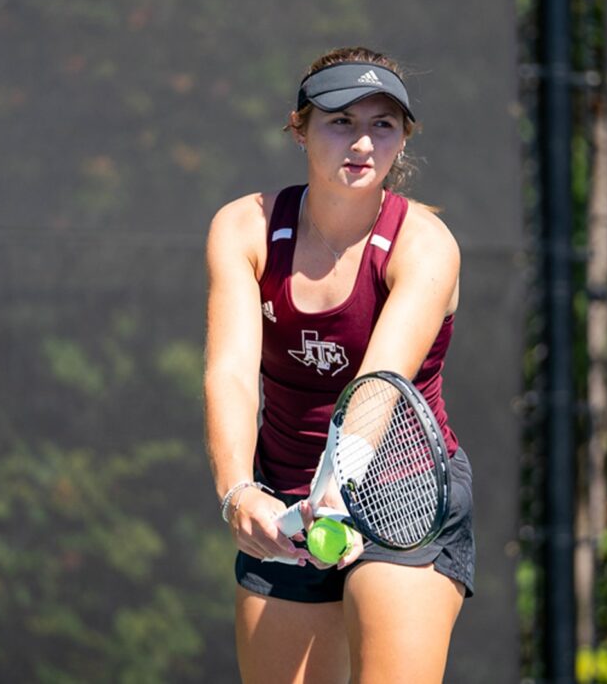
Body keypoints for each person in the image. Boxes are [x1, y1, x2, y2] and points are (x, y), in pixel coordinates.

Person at [203, 46, 475, 684]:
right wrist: (239, 492)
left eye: (383, 124)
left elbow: (377, 388)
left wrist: (338, 485)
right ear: (298, 129)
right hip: (284, 493)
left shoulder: (425, 245)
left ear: (403, 139)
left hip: (403, 497)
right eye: (340, 121)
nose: (362, 143)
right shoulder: (244, 229)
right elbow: (232, 374)